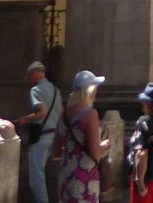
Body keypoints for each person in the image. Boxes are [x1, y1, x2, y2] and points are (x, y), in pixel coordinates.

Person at [51, 69, 108, 203]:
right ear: (89, 90)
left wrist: (72, 151)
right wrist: (105, 145)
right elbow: (95, 152)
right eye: (95, 88)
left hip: (66, 176)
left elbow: (55, 153)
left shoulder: (63, 115)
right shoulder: (91, 114)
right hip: (85, 179)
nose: (97, 92)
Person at [16, 61, 62, 203]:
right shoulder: (56, 90)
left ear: (34, 74)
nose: (28, 80)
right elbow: (61, 111)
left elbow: (42, 112)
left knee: (36, 172)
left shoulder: (35, 90)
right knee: (54, 170)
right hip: (55, 135)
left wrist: (25, 119)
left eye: (29, 76)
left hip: (42, 136)